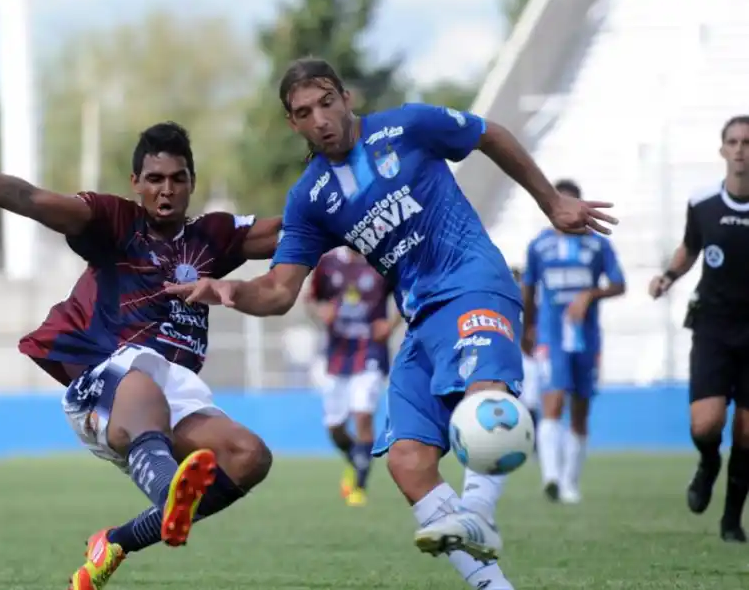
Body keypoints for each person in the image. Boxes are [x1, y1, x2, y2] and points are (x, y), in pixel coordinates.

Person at [166, 57, 617, 590]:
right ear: (294, 123)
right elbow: (281, 291)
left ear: (345, 98)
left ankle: (477, 509)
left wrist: (551, 201)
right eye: (304, 112)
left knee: (485, 401)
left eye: (327, 102)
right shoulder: (310, 199)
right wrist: (232, 291)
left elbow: (488, 133)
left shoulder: (409, 126)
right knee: (406, 461)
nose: (321, 119)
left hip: (474, 281)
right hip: (420, 318)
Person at [0, 119, 284, 588]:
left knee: (248, 456)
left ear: (192, 183)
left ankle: (118, 540)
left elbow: (293, 229)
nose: (166, 190)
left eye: (178, 179)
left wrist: (344, 201)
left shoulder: (212, 237)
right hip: (107, 380)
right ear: (135, 184)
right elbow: (32, 199)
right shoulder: (113, 222)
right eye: (155, 179)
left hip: (173, 388)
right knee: (143, 380)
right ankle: (170, 492)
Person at [649, 115, 749, 543]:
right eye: (734, 141)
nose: (741, 149)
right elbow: (691, 247)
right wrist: (668, 276)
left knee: (746, 432)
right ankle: (708, 463)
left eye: (748, 141)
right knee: (705, 425)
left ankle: (731, 521)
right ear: (722, 149)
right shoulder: (704, 201)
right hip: (712, 326)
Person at [521, 179, 626, 505]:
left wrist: (590, 294)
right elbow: (528, 288)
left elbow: (619, 284)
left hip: (587, 338)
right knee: (552, 403)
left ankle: (569, 483)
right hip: (552, 336)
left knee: (580, 411)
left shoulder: (597, 245)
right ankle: (551, 476)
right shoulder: (539, 246)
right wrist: (529, 327)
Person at [306, 246, 401, 506]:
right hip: (338, 354)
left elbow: (409, 294)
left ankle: (359, 486)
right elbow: (311, 300)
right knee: (335, 428)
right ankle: (357, 460)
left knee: (362, 415)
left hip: (371, 350)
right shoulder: (328, 263)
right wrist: (320, 313)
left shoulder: (383, 259)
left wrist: (391, 325)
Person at [510, 266, 542, 449]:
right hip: (509, 355)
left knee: (530, 401)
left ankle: (533, 443)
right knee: (514, 401)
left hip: (528, 356)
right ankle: (515, 441)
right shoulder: (501, 303)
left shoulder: (531, 304)